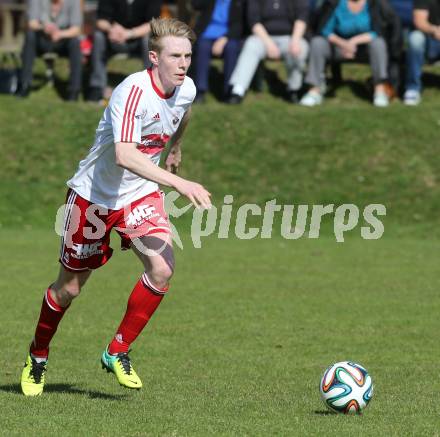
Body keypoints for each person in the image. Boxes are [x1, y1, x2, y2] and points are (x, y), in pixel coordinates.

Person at [20, 17, 212, 396]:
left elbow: (184, 110)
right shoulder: (132, 91)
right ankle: (38, 356)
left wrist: (175, 146)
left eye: (188, 56)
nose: (184, 64)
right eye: (175, 56)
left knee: (162, 268)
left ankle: (117, 350)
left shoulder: (185, 88)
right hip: (93, 198)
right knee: (69, 289)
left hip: (139, 194)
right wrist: (179, 181)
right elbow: (124, 154)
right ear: (154, 58)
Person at [300, 0, 402, 107]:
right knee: (318, 43)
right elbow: (325, 30)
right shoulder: (334, 3)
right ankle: (314, 90)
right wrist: (344, 44)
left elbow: (378, 31)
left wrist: (353, 41)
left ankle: (380, 90)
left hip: (364, 48)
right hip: (338, 46)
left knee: (378, 43)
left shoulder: (374, 3)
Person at [226, 0, 310, 104]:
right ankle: (238, 90)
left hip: (290, 37)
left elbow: (302, 18)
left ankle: (294, 90)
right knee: (251, 45)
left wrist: (295, 40)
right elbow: (253, 21)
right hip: (262, 37)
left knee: (300, 48)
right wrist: (268, 43)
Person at [87, 0, 163, 102]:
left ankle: (151, 88)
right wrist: (112, 29)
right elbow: (100, 20)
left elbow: (152, 23)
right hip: (113, 37)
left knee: (150, 40)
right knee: (98, 36)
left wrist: (130, 33)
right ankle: (97, 88)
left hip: (138, 40)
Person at [17, 0, 83, 100]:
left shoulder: (74, 2)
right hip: (42, 37)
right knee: (30, 36)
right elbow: (32, 23)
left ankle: (74, 90)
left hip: (63, 38)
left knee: (75, 42)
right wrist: (44, 27)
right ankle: (25, 84)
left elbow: (76, 29)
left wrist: (60, 34)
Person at [191, 0, 247, 102]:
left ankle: (229, 90)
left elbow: (238, 25)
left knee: (232, 48)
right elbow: (195, 4)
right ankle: (200, 90)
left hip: (229, 35)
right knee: (202, 46)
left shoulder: (238, 2)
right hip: (206, 34)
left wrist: (224, 38)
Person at [403, 0, 440, 105]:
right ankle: (412, 88)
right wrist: (434, 30)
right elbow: (419, 21)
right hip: (429, 38)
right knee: (415, 38)